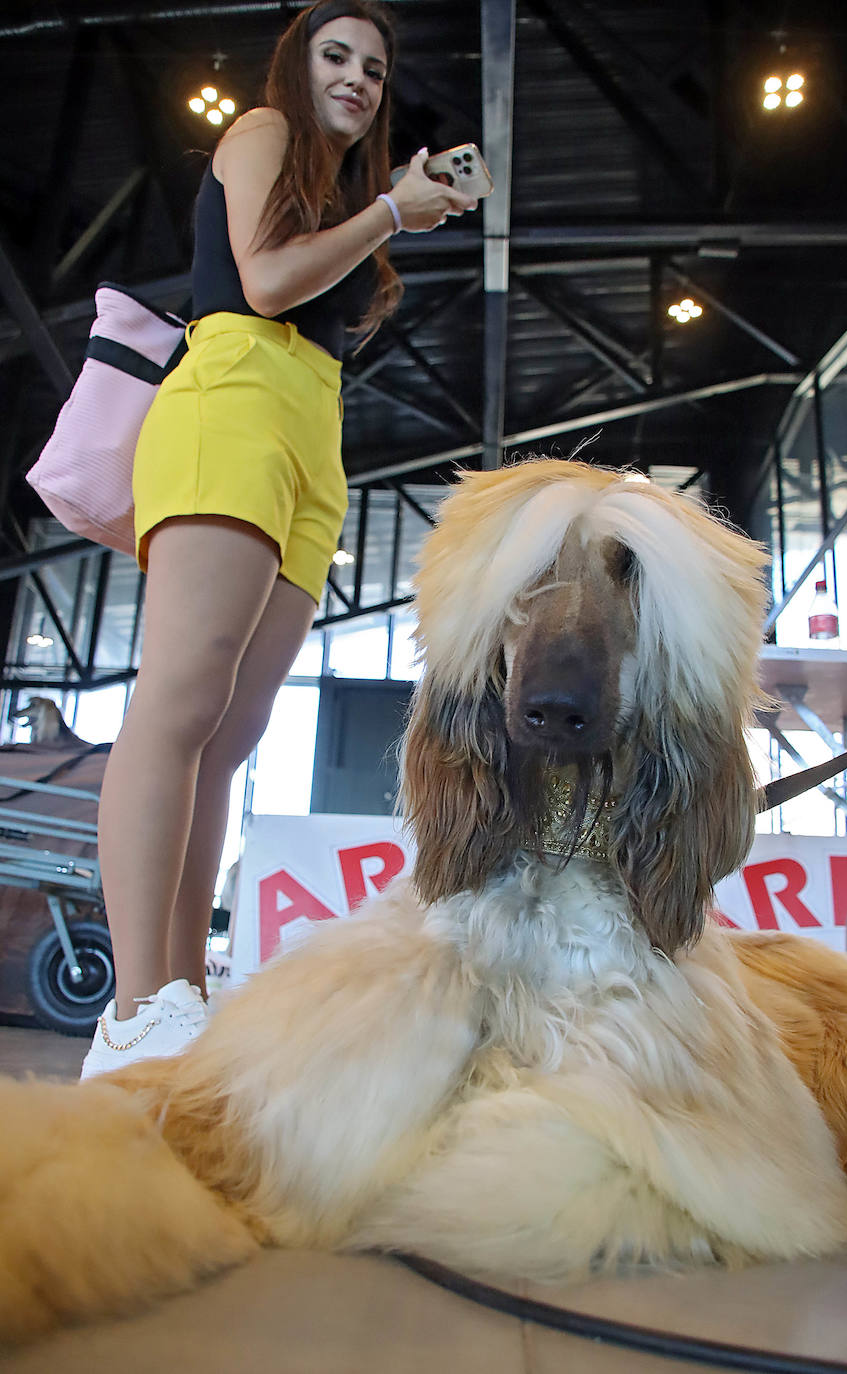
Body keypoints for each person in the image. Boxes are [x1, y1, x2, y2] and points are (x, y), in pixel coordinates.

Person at [80, 0, 476, 1078]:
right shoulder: (260, 133)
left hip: (312, 431)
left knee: (230, 732)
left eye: (376, 70)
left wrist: (389, 209)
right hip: (233, 399)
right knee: (181, 699)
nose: (357, 78)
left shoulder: (350, 198)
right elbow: (260, 283)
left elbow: (317, 289)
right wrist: (392, 212)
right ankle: (128, 1009)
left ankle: (183, 994)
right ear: (295, 68)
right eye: (336, 56)